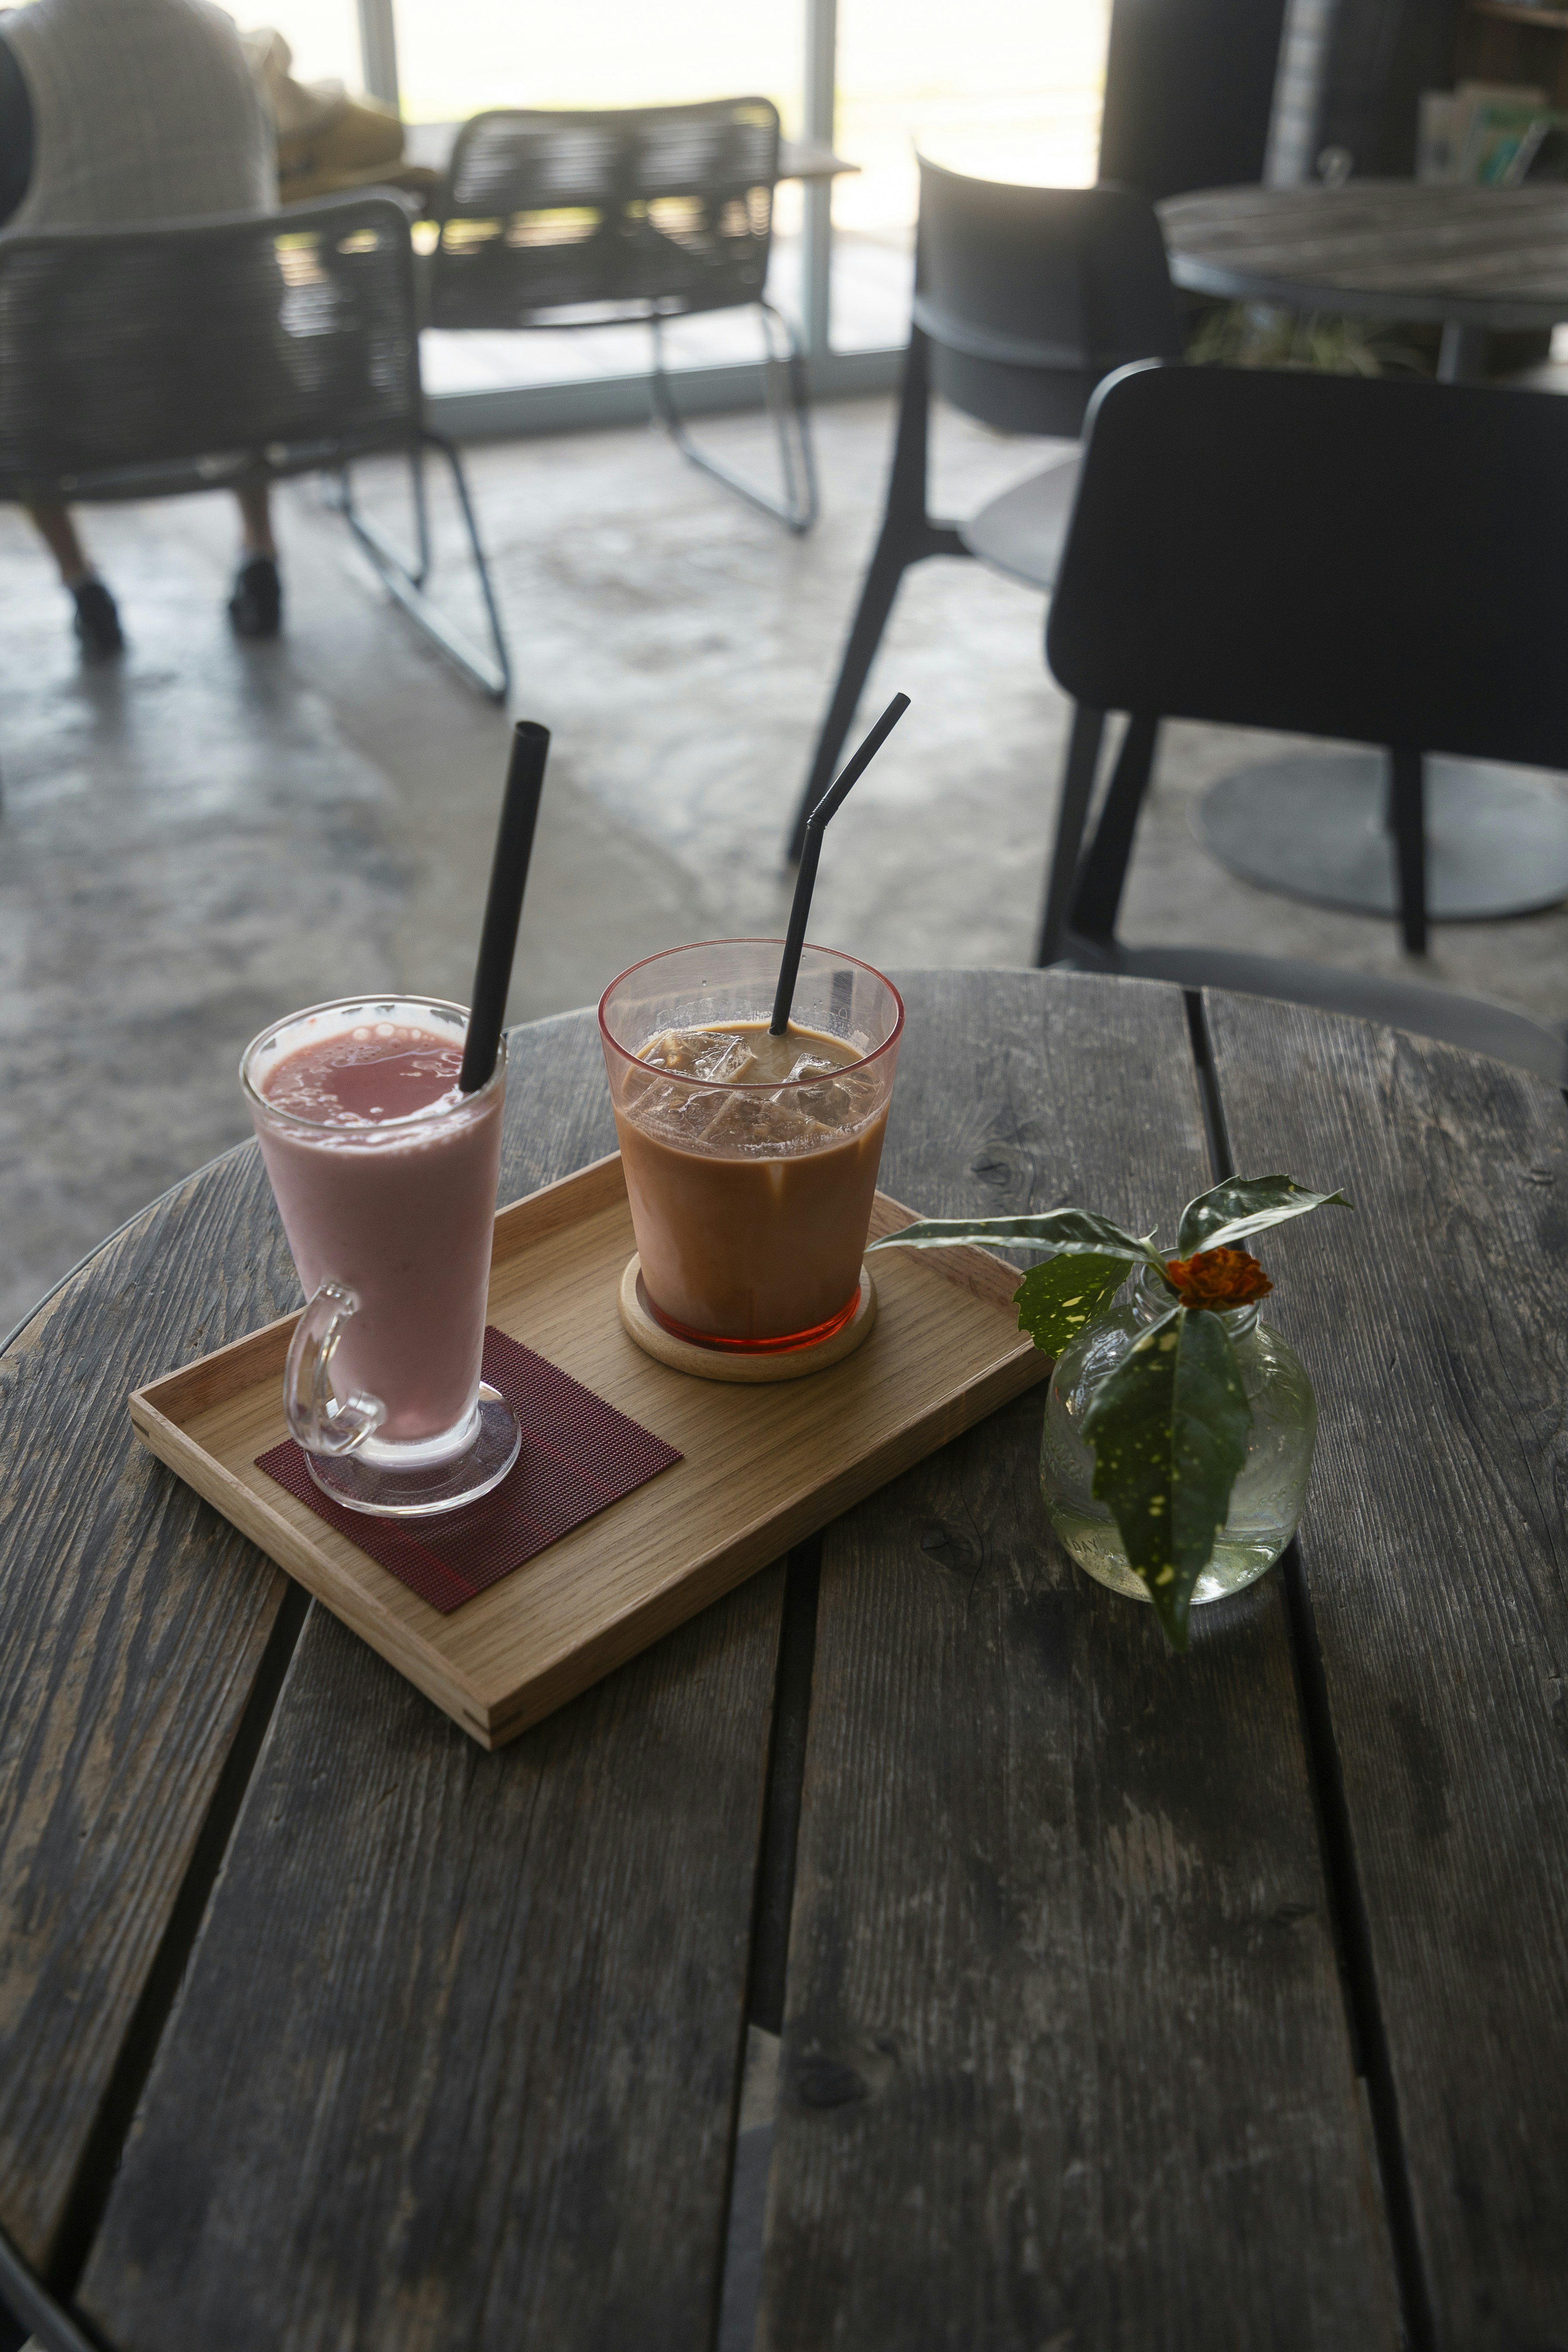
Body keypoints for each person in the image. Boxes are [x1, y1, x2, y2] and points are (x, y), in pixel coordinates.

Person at [0, 0, 285, 654]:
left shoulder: (19, 51)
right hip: (244, 396)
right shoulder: (220, 30)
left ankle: (81, 583)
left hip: (76, 414)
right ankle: (262, 549)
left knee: (23, 346)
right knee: (229, 311)